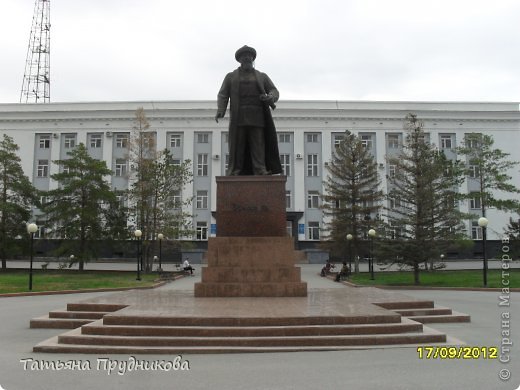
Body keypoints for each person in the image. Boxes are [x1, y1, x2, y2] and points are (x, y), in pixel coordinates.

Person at [215, 45, 282, 176]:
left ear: (252, 58)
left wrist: (270, 97)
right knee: (238, 146)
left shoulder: (261, 76)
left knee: (258, 145)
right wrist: (221, 109)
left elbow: (274, 91)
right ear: (239, 59)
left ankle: (260, 169)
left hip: (257, 117)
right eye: (244, 56)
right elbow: (223, 94)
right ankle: (236, 170)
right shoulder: (231, 77)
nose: (247, 58)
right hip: (239, 117)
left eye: (249, 56)